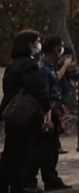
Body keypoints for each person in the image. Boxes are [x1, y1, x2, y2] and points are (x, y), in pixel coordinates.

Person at [1, 30, 53, 193]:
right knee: (24, 152)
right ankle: (20, 185)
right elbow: (38, 89)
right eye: (37, 42)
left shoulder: (12, 65)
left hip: (11, 112)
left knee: (10, 151)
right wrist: (46, 108)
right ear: (29, 45)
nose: (39, 45)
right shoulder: (29, 65)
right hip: (27, 114)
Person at [35, 37, 72, 192]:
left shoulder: (51, 65)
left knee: (53, 147)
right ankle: (48, 178)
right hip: (48, 109)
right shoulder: (43, 67)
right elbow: (54, 79)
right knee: (48, 147)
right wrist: (65, 66)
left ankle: (52, 177)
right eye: (59, 48)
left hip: (56, 107)